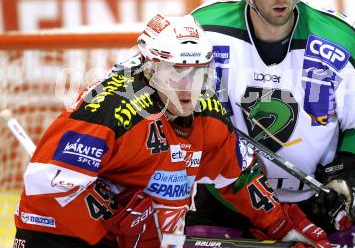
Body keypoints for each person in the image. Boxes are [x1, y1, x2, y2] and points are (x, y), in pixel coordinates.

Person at [13, 13, 332, 248]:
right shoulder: (110, 109)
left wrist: (287, 228)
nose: (188, 87)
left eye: (196, 73)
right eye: (176, 71)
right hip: (58, 234)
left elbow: (239, 178)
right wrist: (116, 212)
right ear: (150, 69)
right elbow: (43, 182)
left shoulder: (209, 113)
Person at [185, 0, 355, 247]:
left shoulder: (340, 40)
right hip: (227, 199)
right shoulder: (204, 29)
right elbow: (152, 88)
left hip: (318, 201)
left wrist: (348, 168)